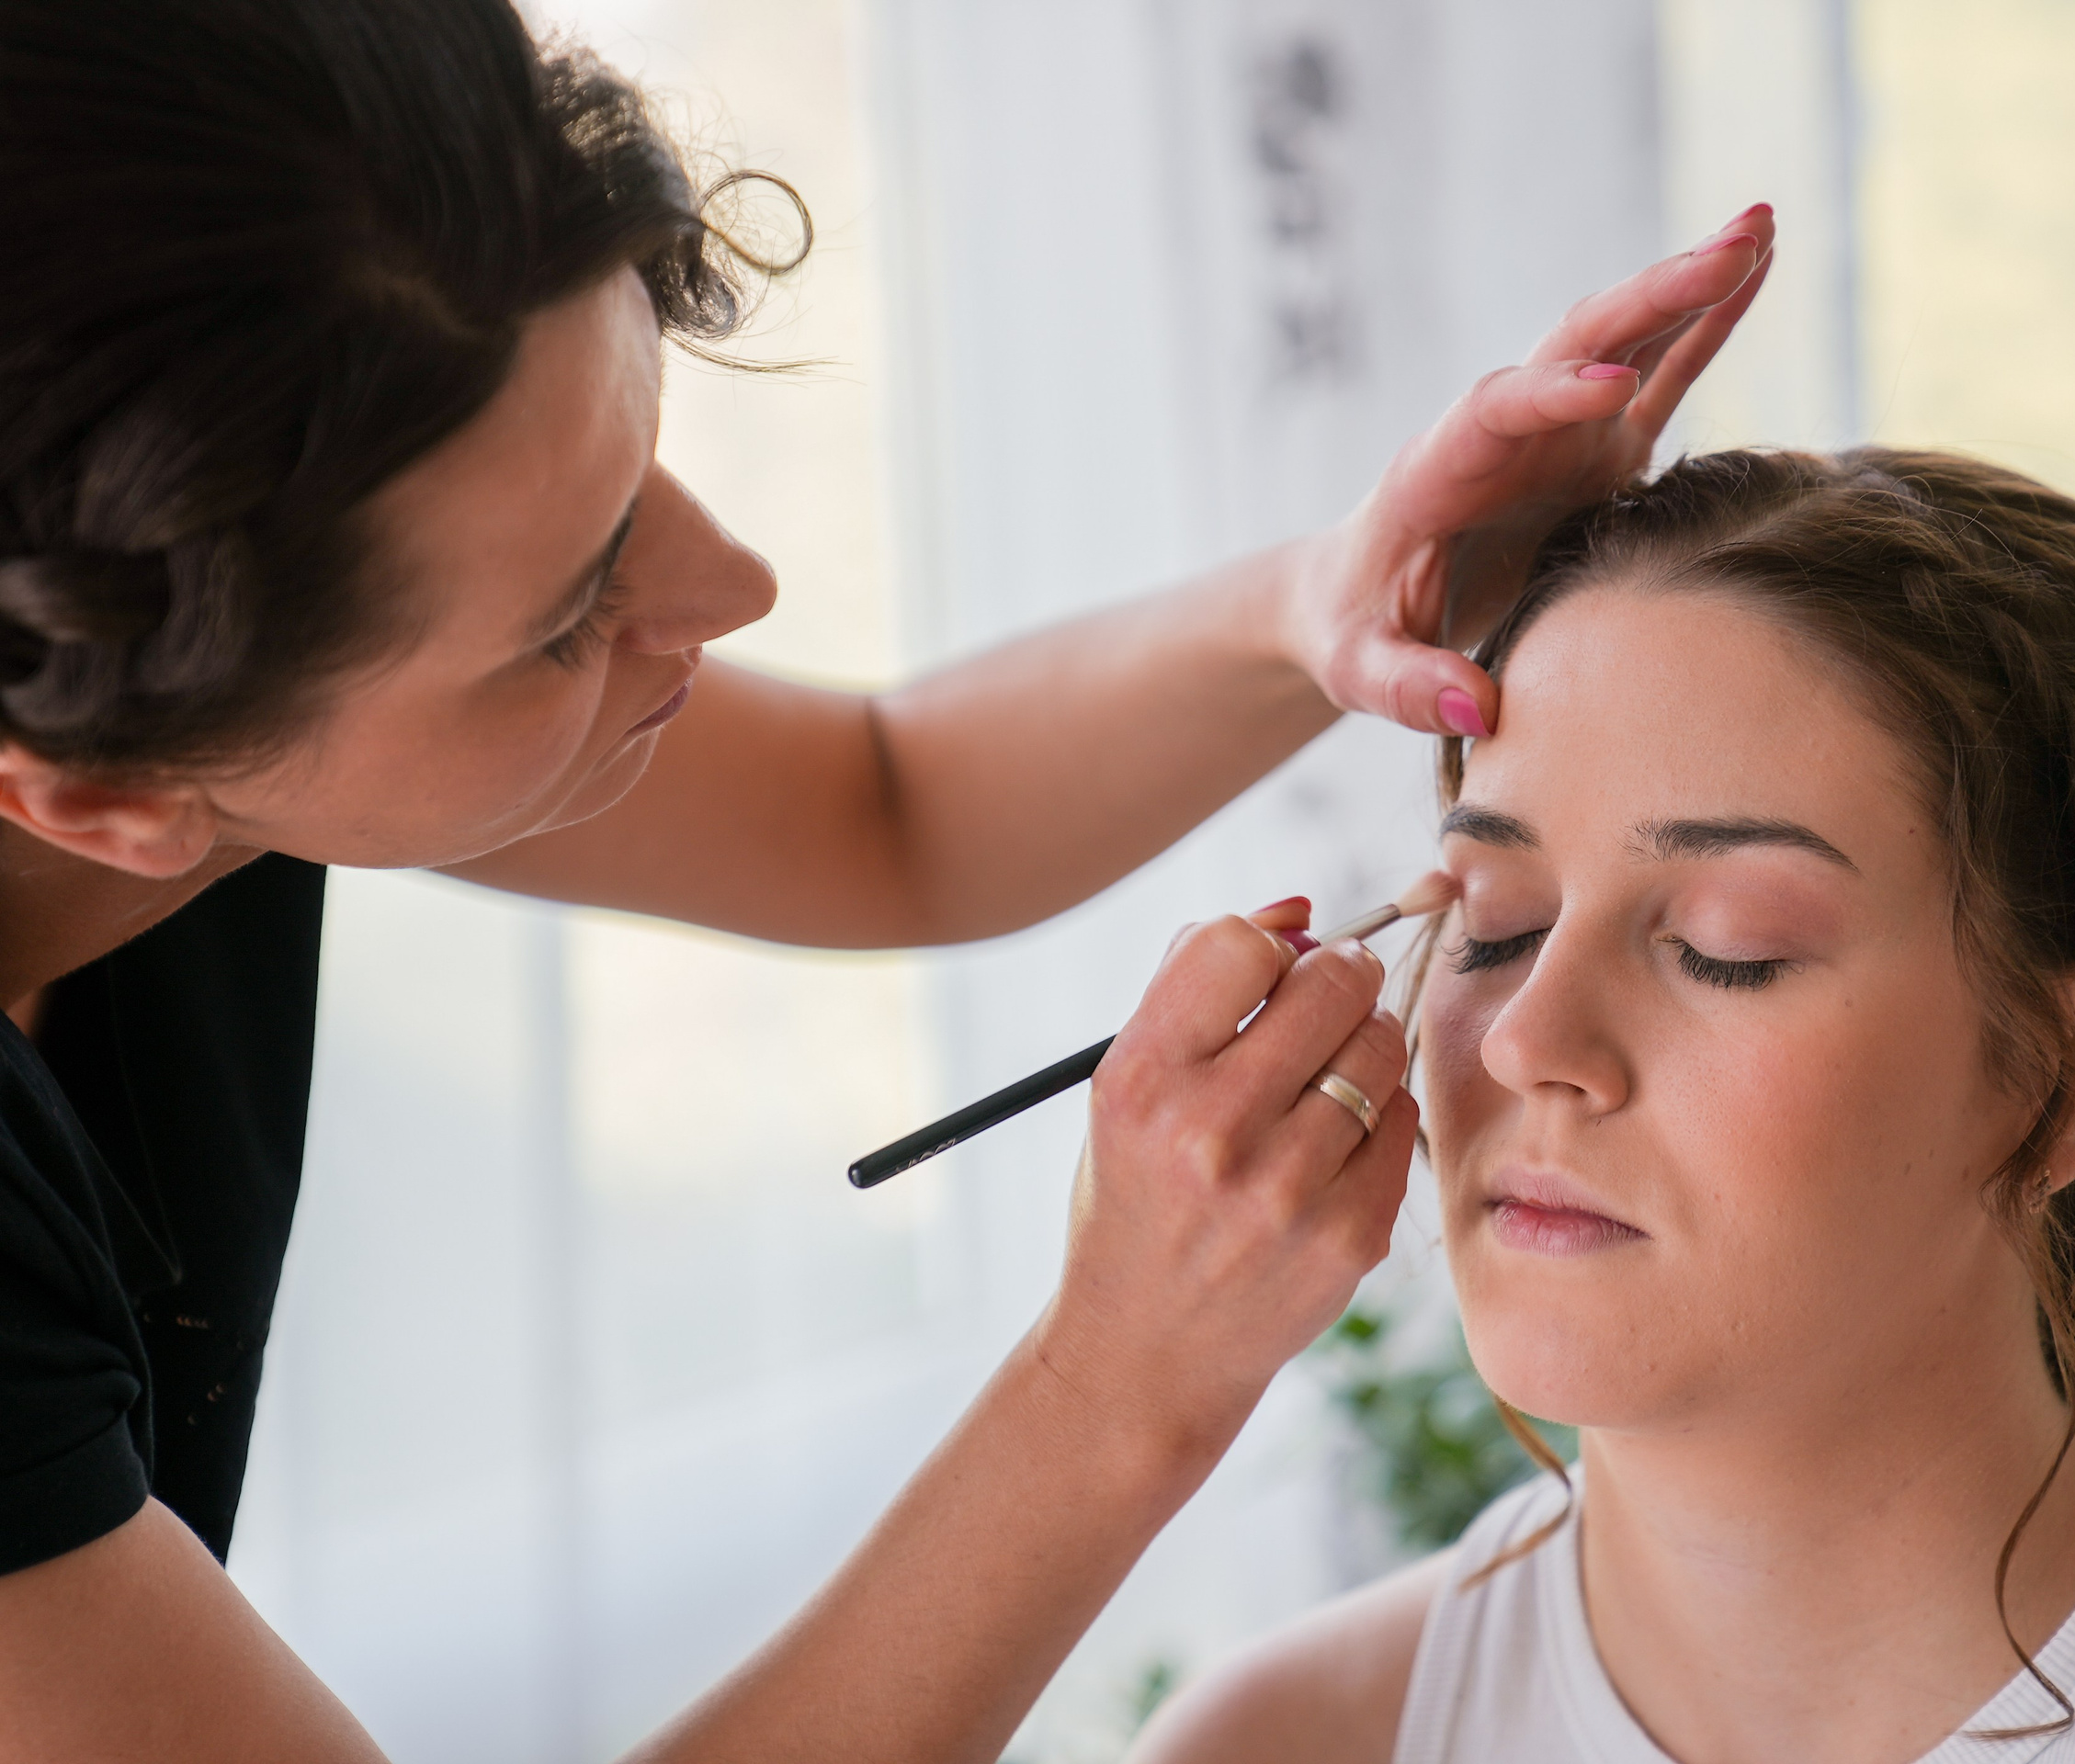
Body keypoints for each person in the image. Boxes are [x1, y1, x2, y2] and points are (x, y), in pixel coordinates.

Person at [0, 3, 1778, 1758]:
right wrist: (1123, 1381)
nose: (738, 583)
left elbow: (883, 809)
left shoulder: (203, 688)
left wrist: (1330, 594)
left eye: (642, 467)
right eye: (565, 618)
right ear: (105, 794)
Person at [1130, 448, 2075, 1764]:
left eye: (1727, 946)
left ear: (2074, 1075)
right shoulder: (1280, 1744)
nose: (1528, 1041)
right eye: (1498, 924)